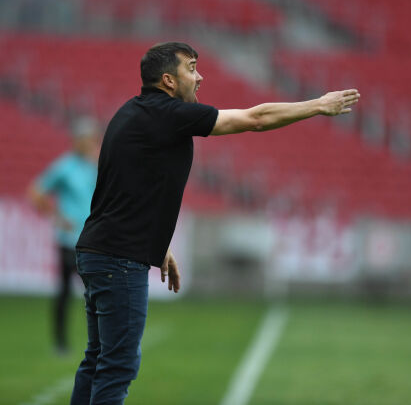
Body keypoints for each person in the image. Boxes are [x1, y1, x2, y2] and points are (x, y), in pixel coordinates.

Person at [70, 42, 360, 404]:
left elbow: (126, 190)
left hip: (99, 250)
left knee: (98, 360)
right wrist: (317, 105)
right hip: (117, 259)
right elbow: (255, 119)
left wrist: (159, 247)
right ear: (168, 81)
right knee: (117, 366)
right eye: (191, 68)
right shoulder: (168, 114)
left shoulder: (132, 112)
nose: (200, 75)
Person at [28, 117, 100, 355]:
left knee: (98, 293)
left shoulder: (96, 166)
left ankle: (100, 341)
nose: (90, 142)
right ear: (76, 140)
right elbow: (36, 192)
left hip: (92, 241)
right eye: (86, 138)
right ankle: (60, 342)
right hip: (69, 241)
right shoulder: (65, 167)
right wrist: (57, 217)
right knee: (65, 292)